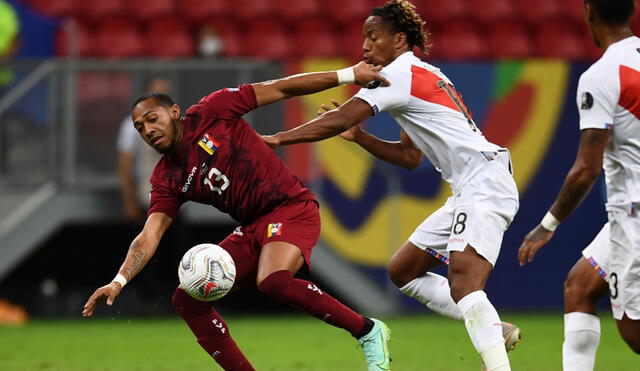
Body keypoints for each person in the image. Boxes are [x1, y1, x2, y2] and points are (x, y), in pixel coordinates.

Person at [82, 62, 394, 371]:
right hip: (252, 226)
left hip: (290, 207)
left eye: (152, 119)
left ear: (174, 112)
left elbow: (283, 87)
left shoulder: (213, 110)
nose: (148, 130)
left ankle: (367, 330)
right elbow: (149, 234)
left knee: (273, 280)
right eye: (140, 127)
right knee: (186, 300)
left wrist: (349, 74)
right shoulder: (166, 178)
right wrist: (119, 279)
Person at [263, 1, 519, 370]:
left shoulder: (400, 75)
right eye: (364, 38)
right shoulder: (420, 73)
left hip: (484, 180)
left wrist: (280, 139)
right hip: (471, 185)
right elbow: (410, 157)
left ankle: (496, 358)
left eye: (374, 37)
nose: (365, 46)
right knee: (404, 271)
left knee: (464, 283)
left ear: (399, 39)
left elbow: (342, 116)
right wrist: (362, 139)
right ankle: (494, 329)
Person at [518, 0, 640, 369]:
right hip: (629, 215)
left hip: (633, 216)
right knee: (580, 286)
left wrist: (547, 224)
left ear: (589, 12)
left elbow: (586, 169)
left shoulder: (602, 75)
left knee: (635, 335)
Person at [116, 76, 167, 223]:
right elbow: (124, 166)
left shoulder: (174, 123)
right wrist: (129, 201)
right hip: (146, 199)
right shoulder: (131, 126)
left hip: (173, 201)